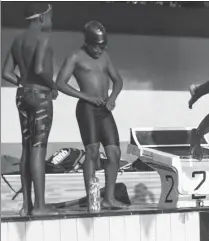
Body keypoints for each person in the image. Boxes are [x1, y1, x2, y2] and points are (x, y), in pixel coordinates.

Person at [55, 21, 128, 209]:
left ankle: (109, 198)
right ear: (87, 42)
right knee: (92, 152)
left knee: (115, 153)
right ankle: (92, 198)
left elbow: (118, 80)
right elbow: (60, 83)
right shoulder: (75, 57)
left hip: (104, 109)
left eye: (103, 46)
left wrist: (112, 98)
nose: (99, 51)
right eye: (96, 47)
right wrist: (85, 96)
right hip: (87, 109)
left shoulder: (105, 57)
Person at [1, 3, 58, 216]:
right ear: (42, 17)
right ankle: (41, 206)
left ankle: (27, 205)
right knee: (38, 148)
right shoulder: (43, 37)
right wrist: (52, 86)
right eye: (51, 16)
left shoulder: (17, 40)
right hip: (40, 96)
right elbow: (41, 69)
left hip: (22, 95)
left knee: (26, 148)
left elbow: (5, 72)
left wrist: (22, 82)